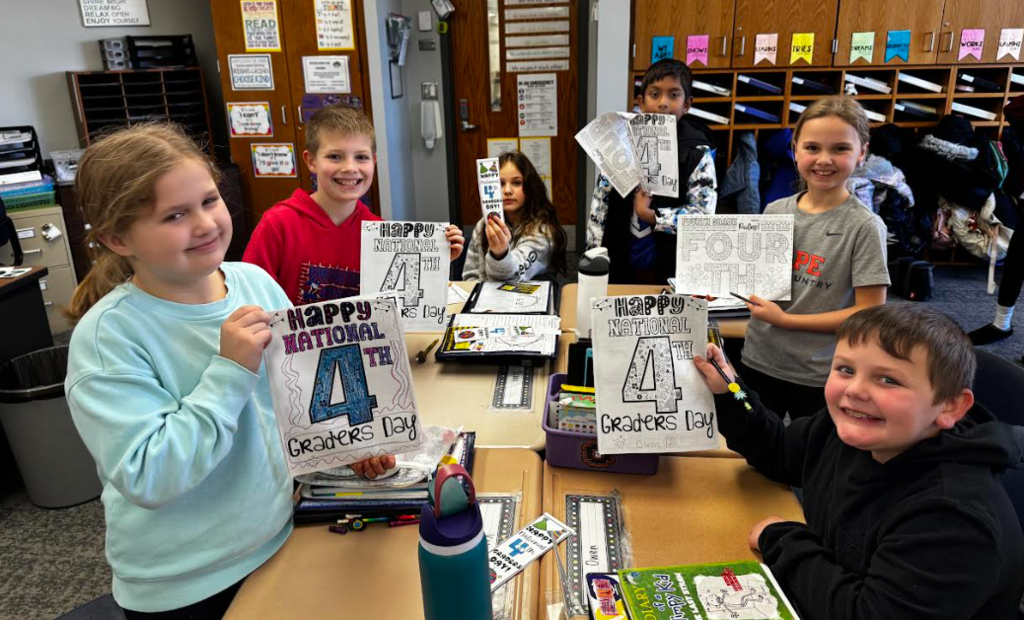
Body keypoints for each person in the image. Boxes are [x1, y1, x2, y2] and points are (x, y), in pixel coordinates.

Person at [63, 124, 395, 619]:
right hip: (184, 581)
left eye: (209, 200)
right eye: (175, 215)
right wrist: (229, 371)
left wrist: (347, 447)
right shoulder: (108, 337)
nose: (205, 224)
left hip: (278, 533)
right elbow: (149, 475)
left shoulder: (253, 282)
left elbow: (302, 394)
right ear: (117, 238)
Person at [694, 304, 1024, 619]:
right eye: (846, 370)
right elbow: (777, 449)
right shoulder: (844, 430)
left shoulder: (954, 518)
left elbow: (864, 613)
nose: (855, 390)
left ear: (950, 407)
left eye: (888, 380)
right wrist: (731, 389)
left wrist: (782, 540)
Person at [739, 96, 889, 420]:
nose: (824, 159)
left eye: (839, 149)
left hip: (820, 371)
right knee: (755, 451)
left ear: (861, 153)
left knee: (812, 460)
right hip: (758, 358)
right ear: (794, 149)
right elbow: (756, 283)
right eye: (812, 148)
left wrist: (785, 320)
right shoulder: (774, 211)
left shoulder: (864, 226)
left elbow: (869, 312)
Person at [243, 105, 464, 304]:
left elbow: (401, 300)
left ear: (374, 162)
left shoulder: (379, 231)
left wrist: (435, 262)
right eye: (335, 156)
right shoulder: (278, 224)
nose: (350, 167)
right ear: (311, 161)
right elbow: (250, 297)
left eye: (361, 157)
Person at [585, 58, 718, 284]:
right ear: (641, 102)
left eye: (674, 95)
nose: (663, 103)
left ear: (687, 104)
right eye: (654, 94)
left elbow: (703, 217)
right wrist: (592, 261)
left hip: (671, 268)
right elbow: (600, 208)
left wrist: (652, 216)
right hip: (620, 261)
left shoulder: (697, 155)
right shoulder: (619, 145)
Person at [462, 150, 567, 281]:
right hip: (487, 298)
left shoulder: (542, 231)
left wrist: (500, 254)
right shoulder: (483, 224)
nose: (507, 191)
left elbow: (514, 276)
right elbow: (470, 276)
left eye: (516, 183)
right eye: (500, 184)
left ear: (530, 187)